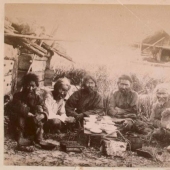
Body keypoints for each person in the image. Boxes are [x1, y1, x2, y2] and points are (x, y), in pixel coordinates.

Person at [8, 73, 48, 152]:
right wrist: (27, 113)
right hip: (20, 123)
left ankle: (38, 138)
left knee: (39, 112)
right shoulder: (18, 95)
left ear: (36, 86)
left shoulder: (38, 97)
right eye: (28, 85)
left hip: (31, 123)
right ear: (24, 85)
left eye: (33, 86)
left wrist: (43, 115)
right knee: (20, 118)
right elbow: (18, 107)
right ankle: (20, 137)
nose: (30, 88)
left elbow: (45, 108)